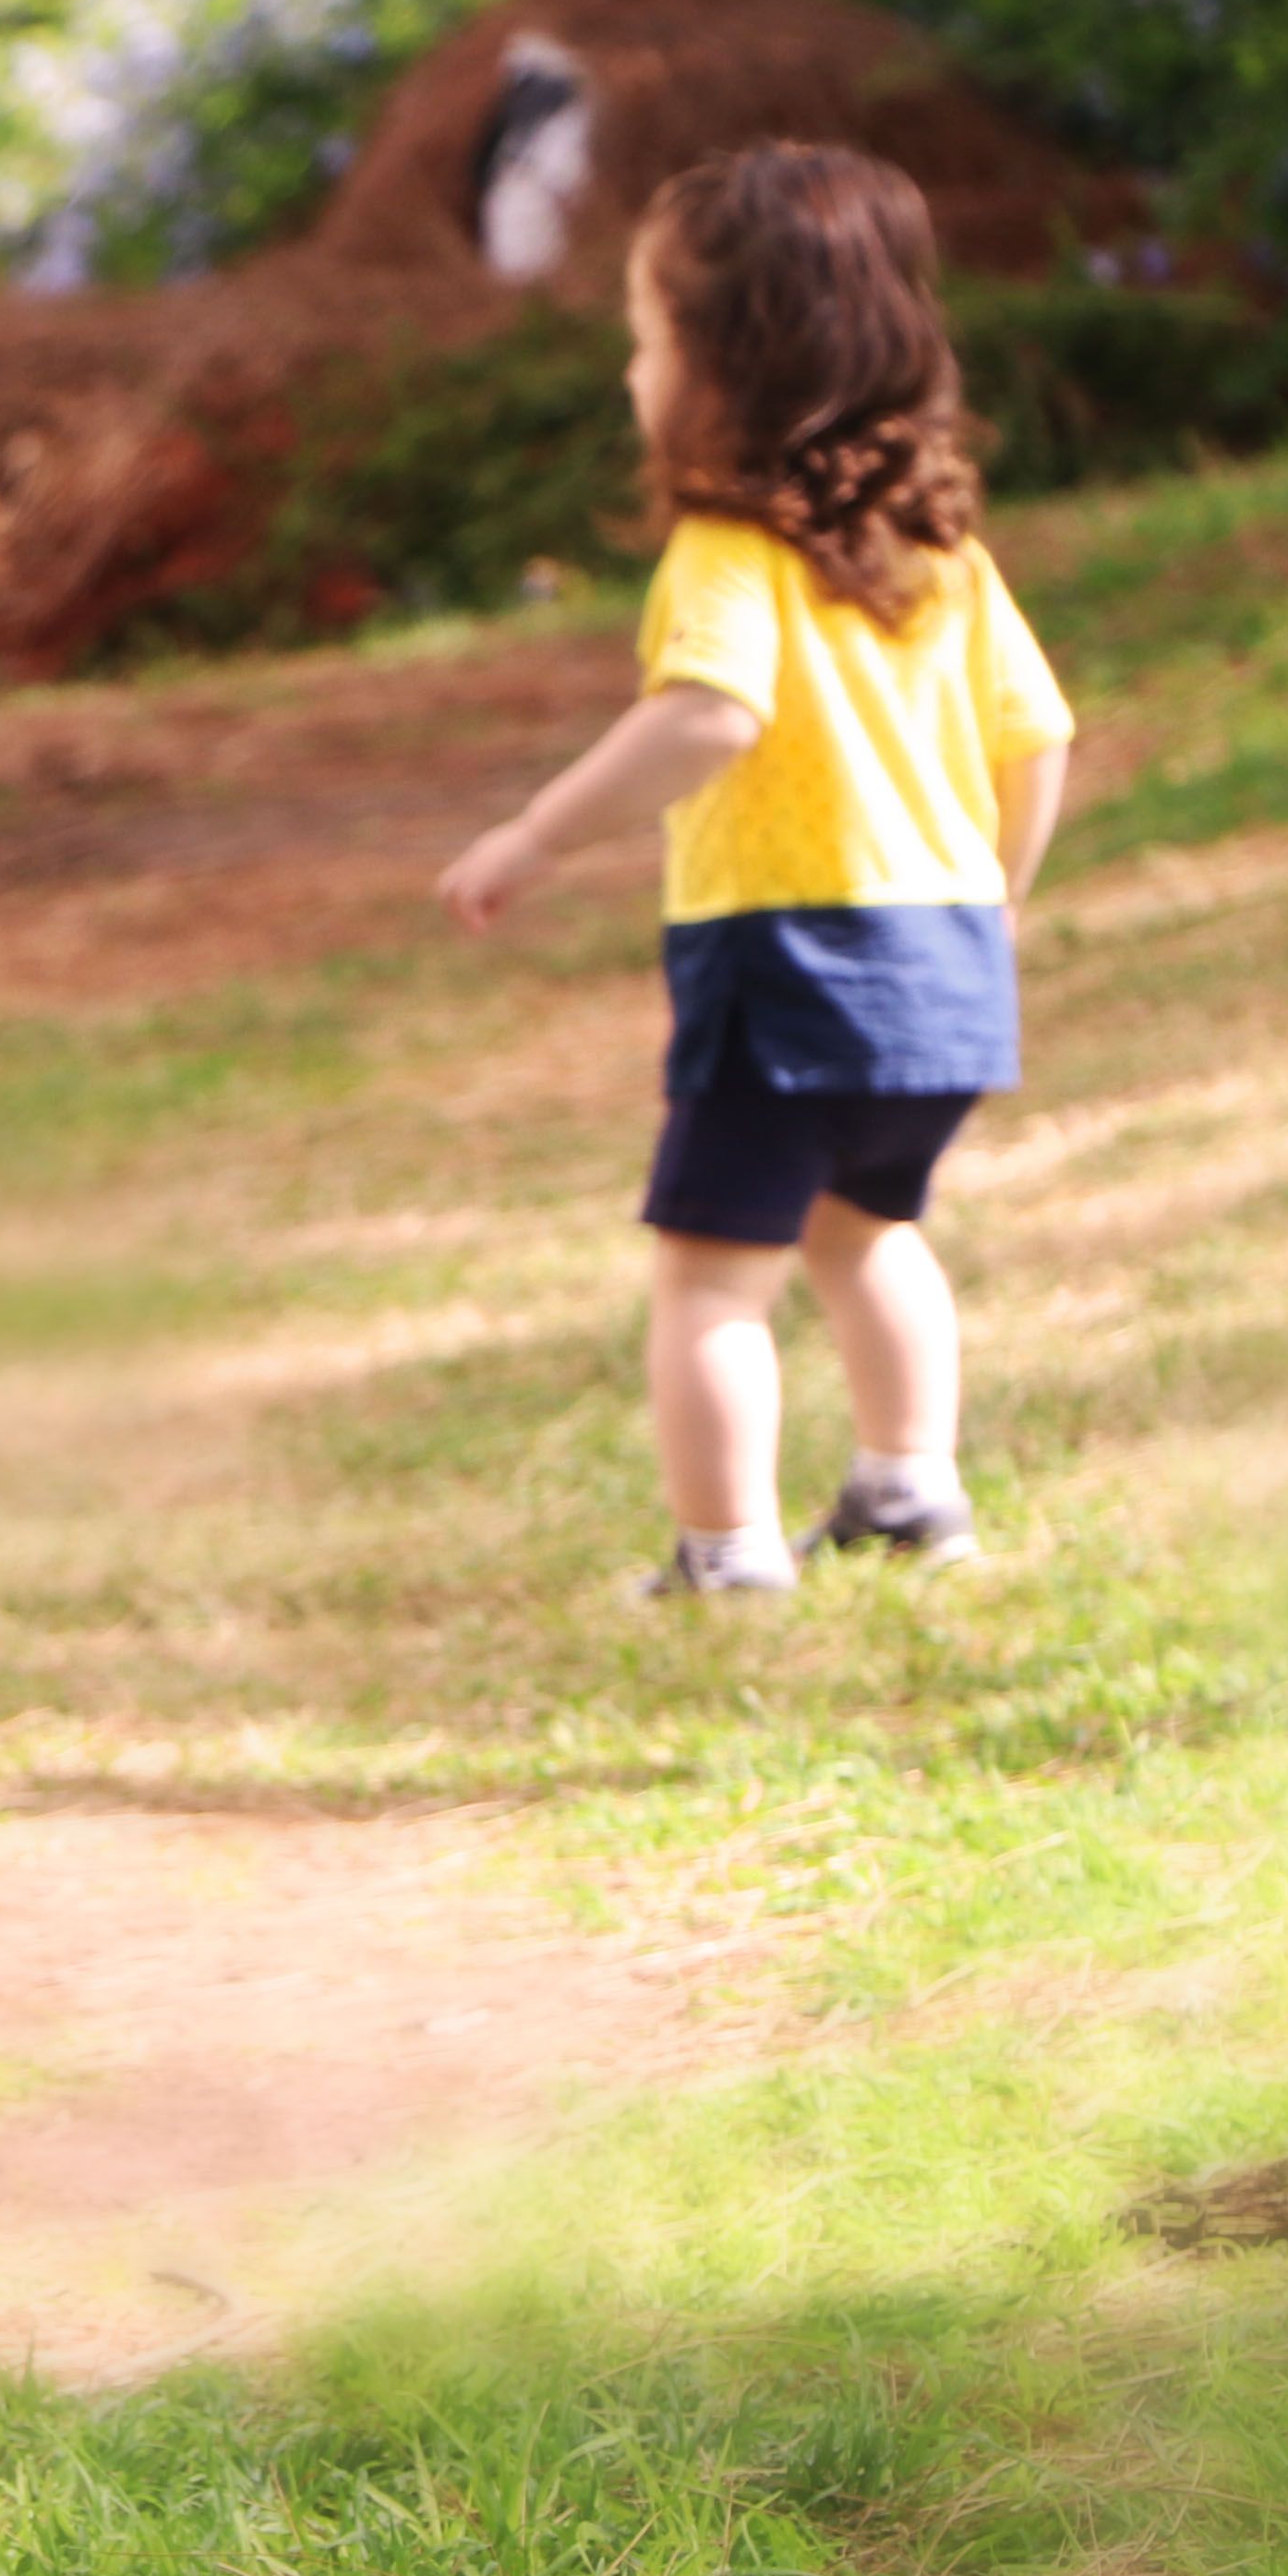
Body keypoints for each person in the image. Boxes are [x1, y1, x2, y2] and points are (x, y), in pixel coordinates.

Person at [439, 141, 1078, 1596]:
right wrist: (989, 899)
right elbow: (1036, 737)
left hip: (789, 967)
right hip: (945, 969)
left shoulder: (731, 548)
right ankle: (911, 1494)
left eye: (645, 339)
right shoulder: (943, 554)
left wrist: (538, 833)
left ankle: (725, 1560)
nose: (630, 374)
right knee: (874, 1231)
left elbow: (712, 714)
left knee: (712, 1276)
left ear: (724, 367)